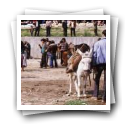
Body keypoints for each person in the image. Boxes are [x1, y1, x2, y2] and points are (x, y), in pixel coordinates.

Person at [91, 30, 106, 103]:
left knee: (97, 79)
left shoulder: (97, 43)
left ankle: (95, 95)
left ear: (103, 34)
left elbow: (94, 55)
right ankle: (104, 98)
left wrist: (93, 65)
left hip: (99, 64)